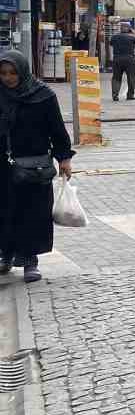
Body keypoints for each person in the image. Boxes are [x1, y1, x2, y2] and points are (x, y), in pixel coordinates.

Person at [0, 49, 74, 284]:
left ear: (22, 71)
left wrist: (64, 158)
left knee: (33, 212)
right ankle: (6, 255)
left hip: (35, 166)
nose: (8, 78)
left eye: (12, 73)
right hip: (3, 165)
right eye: (3, 73)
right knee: (5, 211)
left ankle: (30, 260)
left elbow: (57, 130)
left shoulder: (43, 95)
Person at [108, 20, 135, 101]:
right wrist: (134, 33)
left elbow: (111, 44)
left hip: (117, 59)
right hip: (129, 59)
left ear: (120, 28)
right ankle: (130, 95)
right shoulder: (132, 37)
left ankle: (115, 95)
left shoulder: (114, 36)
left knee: (116, 77)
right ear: (129, 28)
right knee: (131, 77)